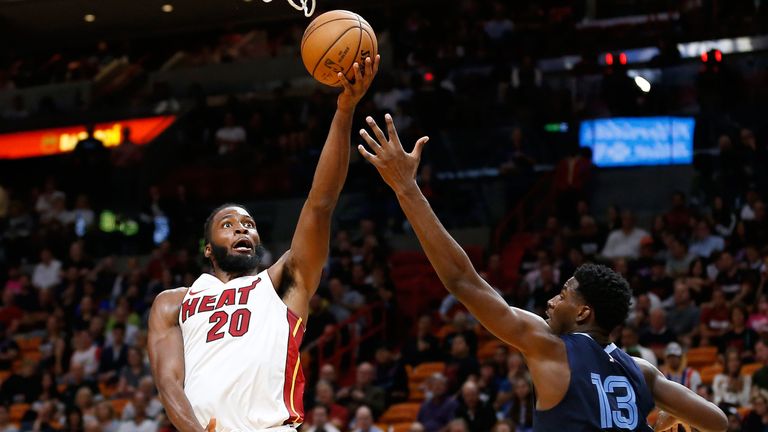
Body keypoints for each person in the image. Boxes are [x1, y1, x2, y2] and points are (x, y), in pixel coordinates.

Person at [356, 114, 728, 431]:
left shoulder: (550, 347)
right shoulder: (642, 372)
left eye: (564, 294)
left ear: (584, 312)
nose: (551, 301)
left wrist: (406, 189)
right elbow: (716, 421)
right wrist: (663, 416)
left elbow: (462, 281)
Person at [147, 56, 380, 432]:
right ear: (208, 248)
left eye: (249, 225)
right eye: (229, 224)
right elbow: (168, 382)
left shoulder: (283, 280)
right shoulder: (173, 302)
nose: (242, 230)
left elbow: (320, 204)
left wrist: (344, 109)